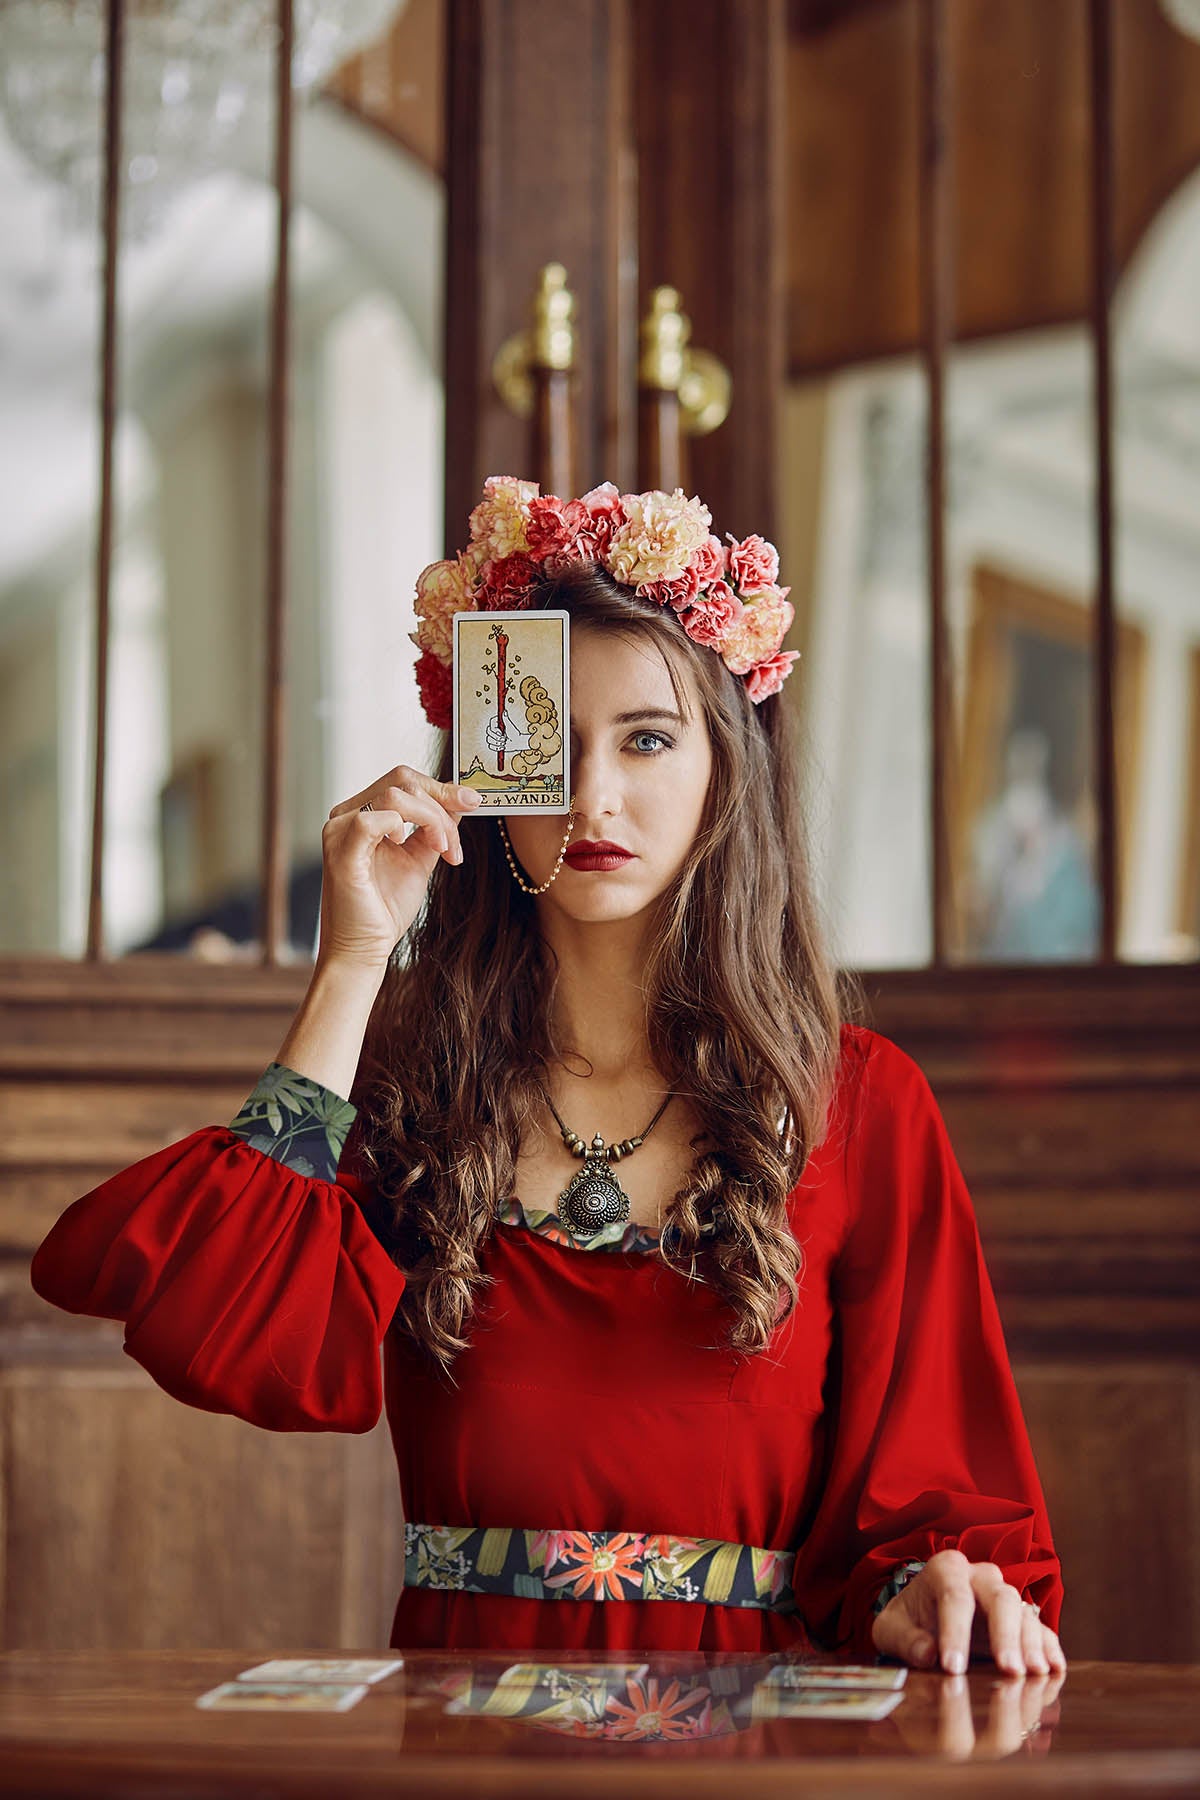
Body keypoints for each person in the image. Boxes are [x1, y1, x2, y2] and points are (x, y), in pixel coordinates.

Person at [30, 478, 1065, 1678]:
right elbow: (218, 1329)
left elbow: (932, 1502)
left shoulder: (861, 1101)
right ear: (485, 766)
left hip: (754, 1742)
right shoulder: (412, 1080)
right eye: (550, 742)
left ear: (728, 764)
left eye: (648, 738)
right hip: (461, 1724)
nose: (594, 793)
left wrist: (927, 1598)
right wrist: (356, 961)